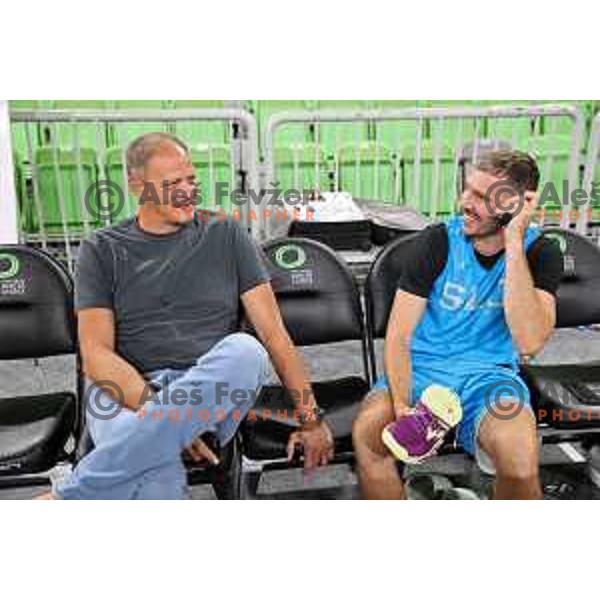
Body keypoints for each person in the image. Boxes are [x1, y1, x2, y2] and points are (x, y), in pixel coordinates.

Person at [43, 132, 333, 499]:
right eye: (171, 183)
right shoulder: (100, 249)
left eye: (191, 180)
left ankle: (68, 498)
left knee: (247, 350)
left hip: (208, 388)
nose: (187, 192)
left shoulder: (226, 233)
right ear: (135, 185)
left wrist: (311, 419)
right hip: (125, 390)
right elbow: (97, 355)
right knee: (154, 472)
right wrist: (169, 418)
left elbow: (273, 333)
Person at [352, 150, 564, 500]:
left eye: (481, 197)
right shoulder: (436, 241)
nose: (465, 202)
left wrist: (514, 241)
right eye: (467, 190)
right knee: (369, 436)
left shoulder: (541, 252)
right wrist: (404, 407)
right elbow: (399, 336)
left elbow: (529, 342)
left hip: (488, 379)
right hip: (419, 370)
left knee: (521, 465)